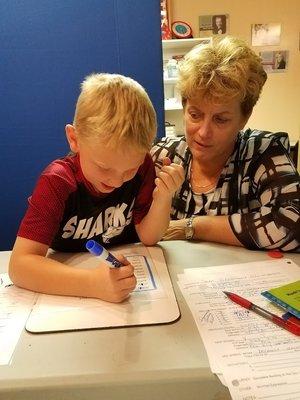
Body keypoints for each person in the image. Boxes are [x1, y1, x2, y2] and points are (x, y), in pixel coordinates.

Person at [9, 73, 184, 302]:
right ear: (74, 139)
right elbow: (20, 266)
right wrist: (92, 284)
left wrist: (163, 197)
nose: (117, 181)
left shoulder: (143, 167)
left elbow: (150, 237)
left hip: (127, 278)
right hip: (68, 285)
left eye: (129, 170)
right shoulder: (58, 181)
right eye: (104, 168)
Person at [151, 37, 299, 251]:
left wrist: (190, 227)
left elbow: (292, 225)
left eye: (220, 119)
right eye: (195, 115)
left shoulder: (262, 153)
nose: (203, 132)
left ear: (244, 118)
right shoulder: (163, 155)